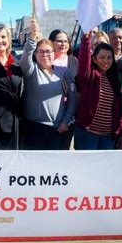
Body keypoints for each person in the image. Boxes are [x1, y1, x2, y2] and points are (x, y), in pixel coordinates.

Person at [20, 19, 77, 150]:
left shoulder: (64, 73)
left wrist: (66, 121)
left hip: (58, 129)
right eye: (41, 51)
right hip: (34, 128)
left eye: (48, 51)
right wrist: (32, 39)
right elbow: (24, 59)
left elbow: (73, 99)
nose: (45, 55)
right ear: (35, 54)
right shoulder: (31, 70)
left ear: (54, 53)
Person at [75, 32, 122, 150]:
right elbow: (83, 60)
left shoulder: (115, 79)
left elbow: (119, 108)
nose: (106, 61)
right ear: (94, 59)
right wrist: (86, 39)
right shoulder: (89, 75)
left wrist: (121, 133)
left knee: (104, 168)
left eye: (109, 57)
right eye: (101, 57)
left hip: (108, 138)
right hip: (88, 135)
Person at [48, 29, 79, 148]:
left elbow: (77, 87)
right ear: (52, 42)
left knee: (63, 148)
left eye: (66, 41)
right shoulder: (45, 59)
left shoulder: (74, 61)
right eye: (59, 41)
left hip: (68, 114)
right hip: (49, 112)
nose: (63, 44)